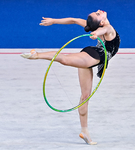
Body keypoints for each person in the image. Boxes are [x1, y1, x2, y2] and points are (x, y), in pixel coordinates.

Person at [21, 10, 120, 145]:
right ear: (101, 22)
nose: (99, 11)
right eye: (97, 14)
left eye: (97, 12)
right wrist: (96, 34)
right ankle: (37, 55)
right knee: (65, 60)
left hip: (91, 56)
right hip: (92, 57)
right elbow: (103, 31)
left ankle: (84, 131)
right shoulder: (107, 29)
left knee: (85, 96)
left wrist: (54, 20)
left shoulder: (104, 28)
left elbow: (74, 20)